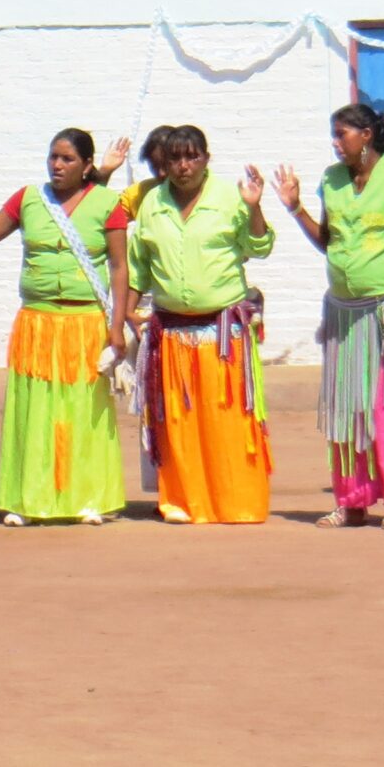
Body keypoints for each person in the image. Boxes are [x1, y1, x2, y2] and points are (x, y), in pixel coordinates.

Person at [274, 103, 384, 528]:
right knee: (348, 406)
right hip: (344, 313)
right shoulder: (330, 180)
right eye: (333, 134)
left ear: (366, 134)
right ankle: (352, 501)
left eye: (342, 133)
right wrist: (294, 208)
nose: (335, 142)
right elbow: (328, 241)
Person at [0, 128, 133, 526]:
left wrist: (116, 328)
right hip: (37, 322)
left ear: (87, 166)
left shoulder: (107, 204)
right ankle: (28, 499)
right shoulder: (27, 199)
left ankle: (89, 498)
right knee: (35, 410)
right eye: (53, 158)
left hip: (85, 324)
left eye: (67, 159)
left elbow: (118, 266)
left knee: (84, 412)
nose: (57, 166)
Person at [124, 125, 275, 525]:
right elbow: (138, 269)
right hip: (171, 334)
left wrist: (255, 206)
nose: (184, 166)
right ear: (165, 164)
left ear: (207, 158)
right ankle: (184, 503)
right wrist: (124, 317)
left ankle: (237, 504)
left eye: (192, 156)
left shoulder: (230, 197)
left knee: (227, 420)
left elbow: (259, 246)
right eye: (175, 158)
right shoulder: (151, 204)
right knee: (178, 423)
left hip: (222, 334)